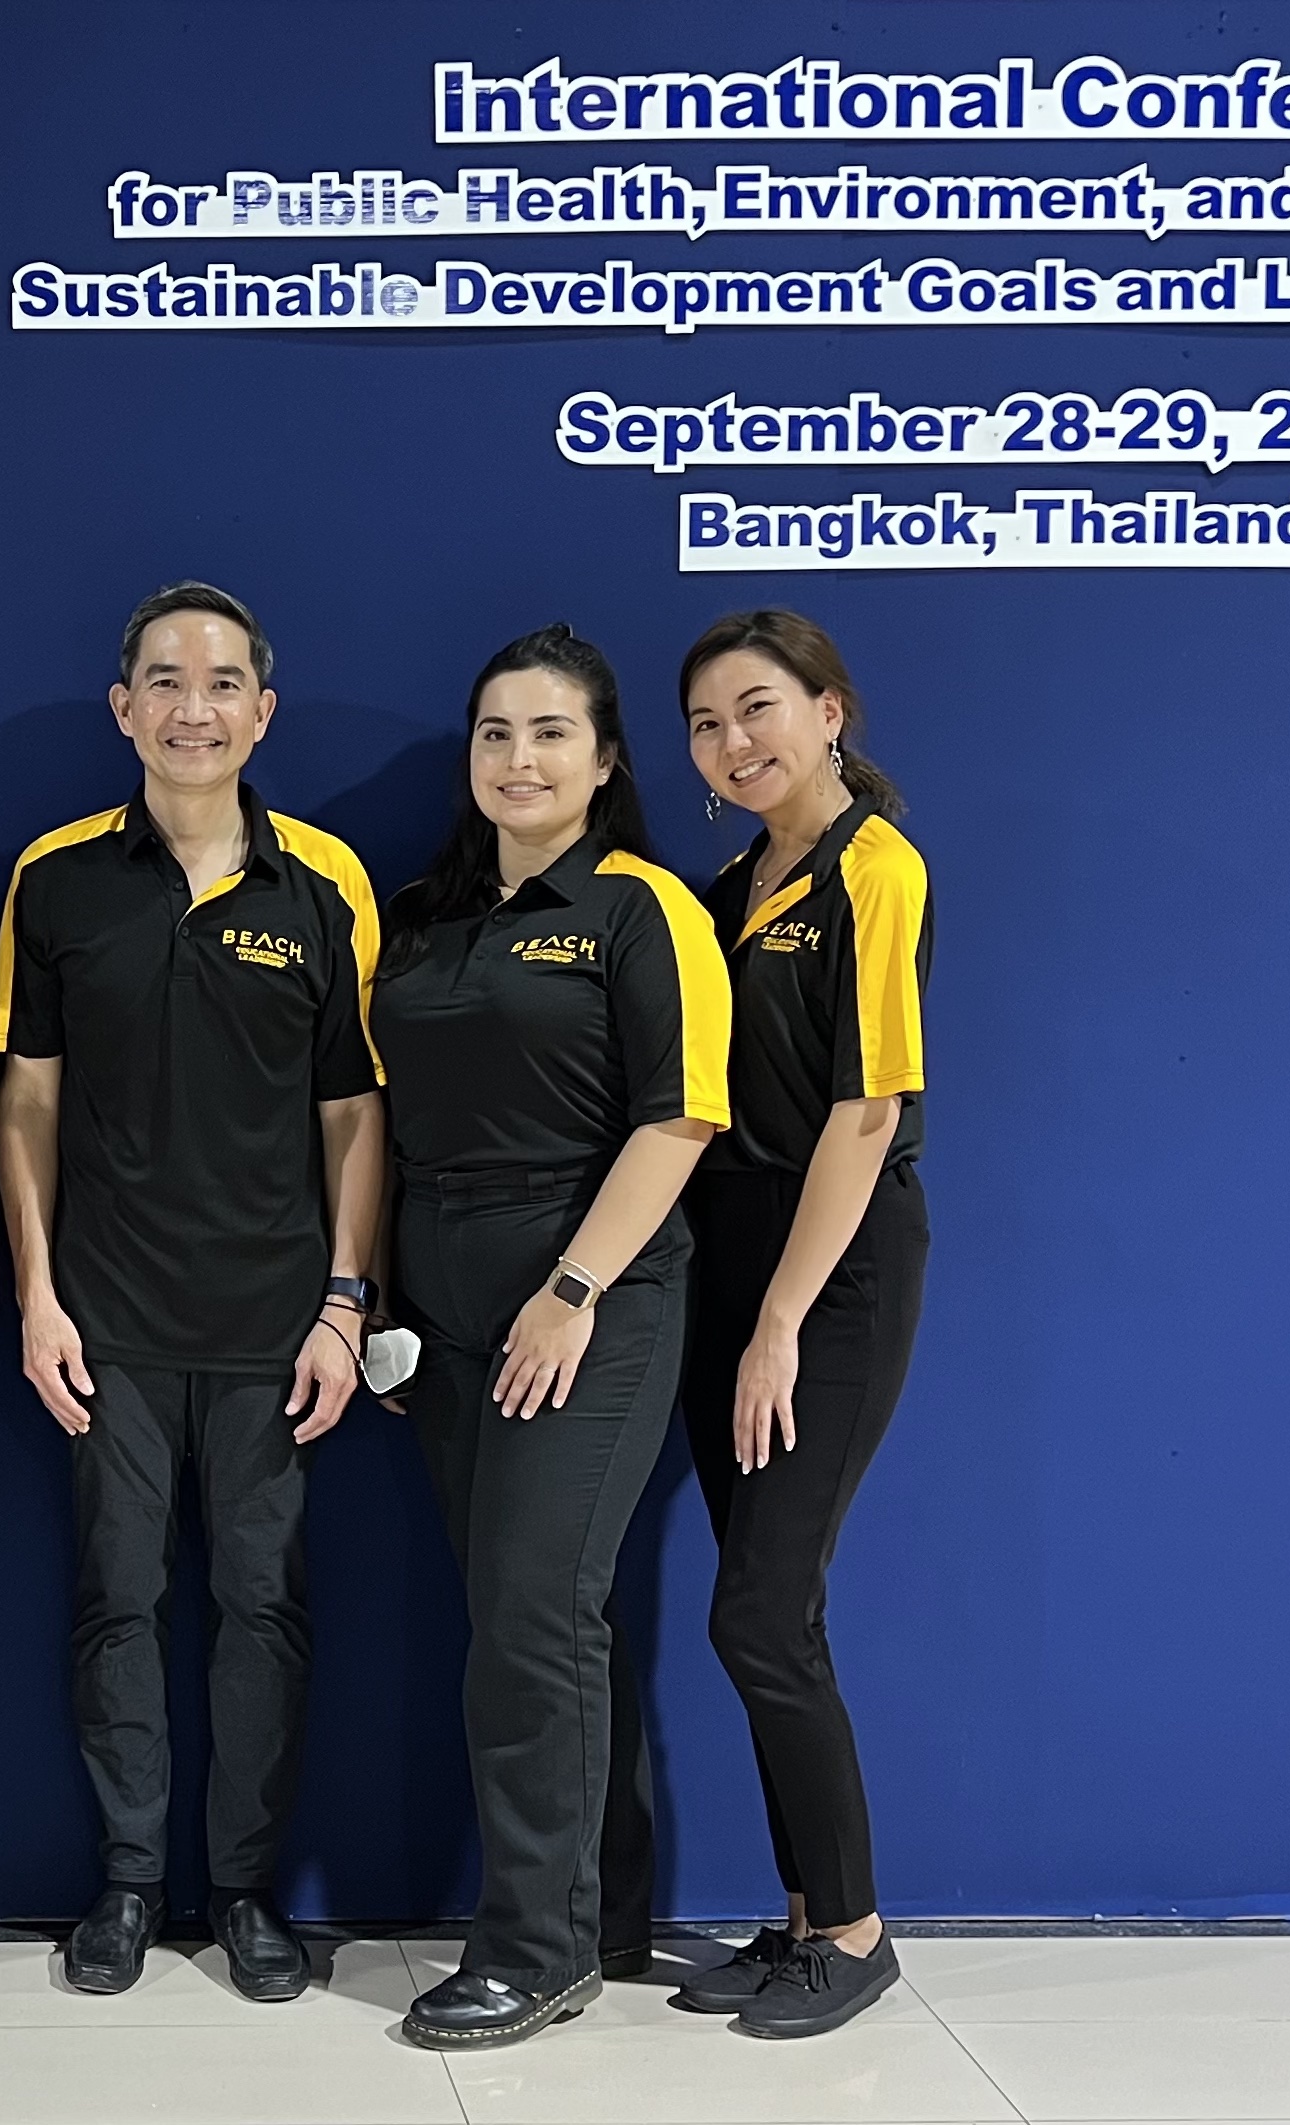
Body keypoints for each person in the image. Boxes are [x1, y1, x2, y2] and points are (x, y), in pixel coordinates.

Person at [0, 581, 387, 2001]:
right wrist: (34, 1295)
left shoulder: (324, 882)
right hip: (104, 1320)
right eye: (163, 681)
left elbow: (355, 1112)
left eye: (221, 683)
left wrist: (344, 1300)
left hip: (276, 1324)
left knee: (261, 1606)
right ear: (123, 708)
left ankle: (240, 1892)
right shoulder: (53, 880)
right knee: (113, 1601)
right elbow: (21, 1108)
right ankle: (127, 1881)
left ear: (260, 712)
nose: (192, 707)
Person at [368, 626, 729, 2050]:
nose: (518, 759)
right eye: (495, 733)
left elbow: (680, 1113)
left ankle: (535, 1945)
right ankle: (605, 1906)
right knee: (530, 1622)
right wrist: (389, 1302)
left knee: (530, 1614)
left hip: (588, 1303)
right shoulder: (428, 911)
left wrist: (570, 1289)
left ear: (604, 758)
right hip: (445, 1314)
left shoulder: (641, 908)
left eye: (549, 733)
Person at [659, 609, 932, 2039]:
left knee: (758, 1608)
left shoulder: (874, 871)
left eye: (757, 708)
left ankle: (858, 1926)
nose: (733, 742)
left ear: (830, 710)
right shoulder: (726, 884)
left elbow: (867, 1107)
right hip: (732, 1255)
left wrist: (778, 1320)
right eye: (706, 723)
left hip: (832, 1268)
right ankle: (801, 1916)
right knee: (778, 1614)